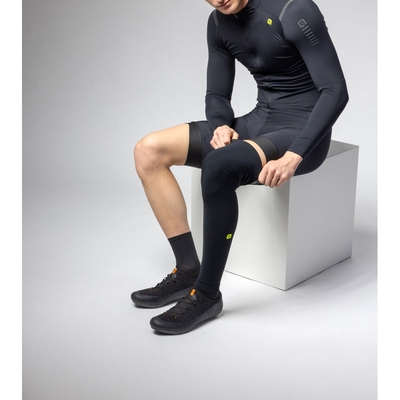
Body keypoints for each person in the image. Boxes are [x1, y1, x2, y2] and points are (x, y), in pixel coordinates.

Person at [131, 0, 349, 334]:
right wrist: (220, 124)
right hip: (261, 120)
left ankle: (206, 294)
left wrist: (295, 155)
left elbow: (335, 90)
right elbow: (217, 94)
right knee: (148, 151)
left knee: (218, 166)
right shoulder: (218, 23)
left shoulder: (294, 10)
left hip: (303, 131)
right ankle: (187, 269)